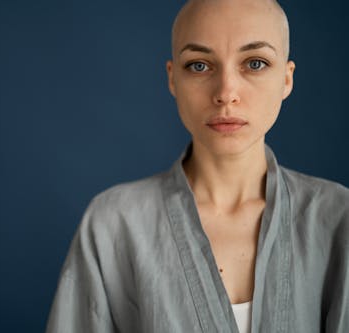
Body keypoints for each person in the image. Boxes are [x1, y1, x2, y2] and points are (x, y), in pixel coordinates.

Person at [46, 0, 349, 332]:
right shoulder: (113, 224)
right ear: (173, 78)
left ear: (286, 80)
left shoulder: (338, 219)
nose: (226, 93)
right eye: (200, 66)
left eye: (255, 63)